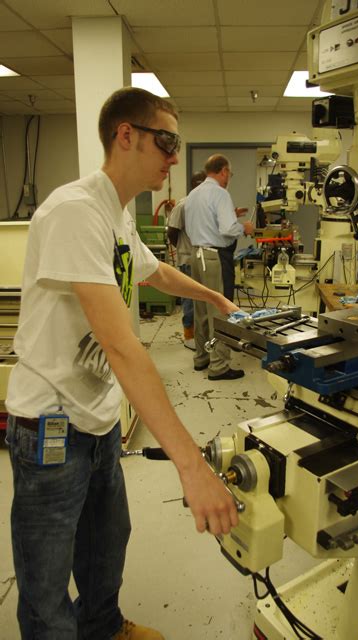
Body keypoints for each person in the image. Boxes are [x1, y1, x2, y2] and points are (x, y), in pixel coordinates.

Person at [5, 87, 239, 640]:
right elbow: (121, 346)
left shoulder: (117, 215)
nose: (175, 157)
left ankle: (105, 627)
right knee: (46, 580)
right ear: (126, 135)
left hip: (97, 416)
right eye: (168, 142)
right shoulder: (75, 211)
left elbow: (156, 272)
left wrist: (215, 297)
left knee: (106, 545)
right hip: (50, 424)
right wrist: (192, 466)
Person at [184, 154, 254, 381]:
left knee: (201, 310)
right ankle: (219, 366)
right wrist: (244, 228)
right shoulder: (220, 193)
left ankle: (202, 357)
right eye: (229, 174)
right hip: (214, 257)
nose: (229, 178)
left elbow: (206, 224)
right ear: (223, 171)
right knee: (221, 311)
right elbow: (226, 230)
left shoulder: (193, 195)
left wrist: (231, 216)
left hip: (196, 255)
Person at [167, 170, 206, 351]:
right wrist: (184, 249)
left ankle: (202, 332)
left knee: (204, 298)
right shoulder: (183, 206)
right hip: (188, 258)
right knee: (190, 298)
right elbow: (172, 232)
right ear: (194, 185)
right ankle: (189, 335)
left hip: (205, 258)